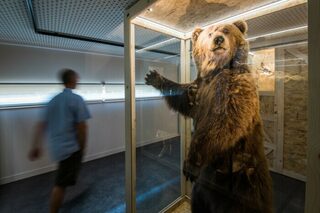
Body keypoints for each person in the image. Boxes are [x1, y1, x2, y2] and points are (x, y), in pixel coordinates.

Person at [29, 68, 91, 213]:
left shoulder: (52, 100)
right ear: (72, 80)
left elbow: (41, 125)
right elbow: (82, 127)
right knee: (60, 184)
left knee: (65, 177)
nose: (78, 80)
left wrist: (35, 146)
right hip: (71, 149)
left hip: (57, 148)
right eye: (76, 78)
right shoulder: (76, 99)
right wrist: (82, 147)